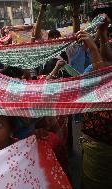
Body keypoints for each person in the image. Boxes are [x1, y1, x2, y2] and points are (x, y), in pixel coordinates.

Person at [76, 14, 112, 189]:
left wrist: (93, 49)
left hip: (103, 148)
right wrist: (103, 35)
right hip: (96, 142)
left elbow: (105, 82)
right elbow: (109, 60)